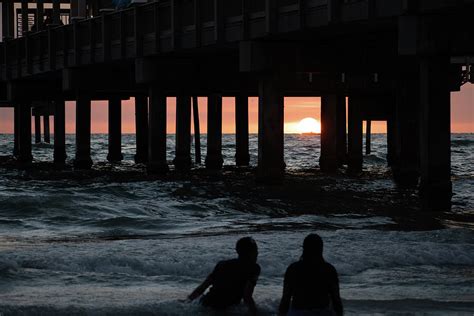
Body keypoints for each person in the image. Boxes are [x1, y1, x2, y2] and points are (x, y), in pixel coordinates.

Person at [188, 237, 260, 315]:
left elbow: (203, 287)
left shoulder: (222, 264)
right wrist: (255, 313)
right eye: (255, 250)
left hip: (206, 303)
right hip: (225, 308)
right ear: (250, 253)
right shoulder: (254, 268)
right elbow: (247, 296)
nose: (257, 253)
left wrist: (187, 301)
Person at [279, 234, 343, 316]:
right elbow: (336, 301)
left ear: (304, 249)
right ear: (321, 249)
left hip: (298, 312)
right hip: (322, 312)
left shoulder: (293, 269)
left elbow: (285, 300)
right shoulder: (329, 269)